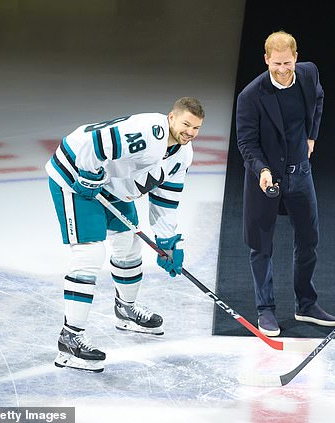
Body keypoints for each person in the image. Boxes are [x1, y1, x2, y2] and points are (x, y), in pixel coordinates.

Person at [45, 97, 205, 372]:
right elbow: (98, 142)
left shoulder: (182, 155)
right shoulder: (149, 132)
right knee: (90, 253)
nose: (190, 132)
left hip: (111, 185)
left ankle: (125, 309)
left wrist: (167, 242)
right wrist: (87, 174)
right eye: (186, 124)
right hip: (75, 177)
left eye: (196, 128)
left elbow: (165, 201)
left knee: (130, 245)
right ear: (171, 118)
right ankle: (69, 338)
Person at [235, 30, 335, 337]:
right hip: (265, 177)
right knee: (260, 246)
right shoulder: (251, 96)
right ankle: (265, 310)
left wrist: (311, 136)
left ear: (296, 57)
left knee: (309, 240)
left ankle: (305, 304)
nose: (282, 70)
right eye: (275, 64)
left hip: (301, 174)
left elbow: (318, 99)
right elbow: (246, 143)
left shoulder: (308, 74)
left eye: (287, 63)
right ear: (266, 59)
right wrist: (262, 170)